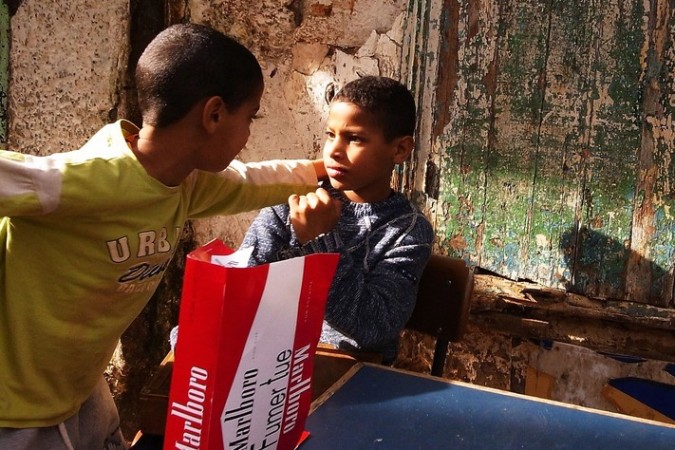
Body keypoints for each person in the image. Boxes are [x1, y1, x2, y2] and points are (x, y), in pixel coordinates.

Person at [0, 23, 326, 450]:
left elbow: (251, 181)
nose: (249, 133)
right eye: (250, 117)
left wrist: (326, 171)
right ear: (214, 114)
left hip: (82, 390)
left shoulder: (184, 183)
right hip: (18, 412)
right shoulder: (80, 181)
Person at [241, 76, 434, 364]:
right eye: (330, 135)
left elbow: (373, 327)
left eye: (354, 138)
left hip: (354, 372)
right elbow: (240, 287)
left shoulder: (407, 231)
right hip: (269, 365)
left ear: (400, 150)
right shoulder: (292, 203)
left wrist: (321, 242)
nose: (334, 151)